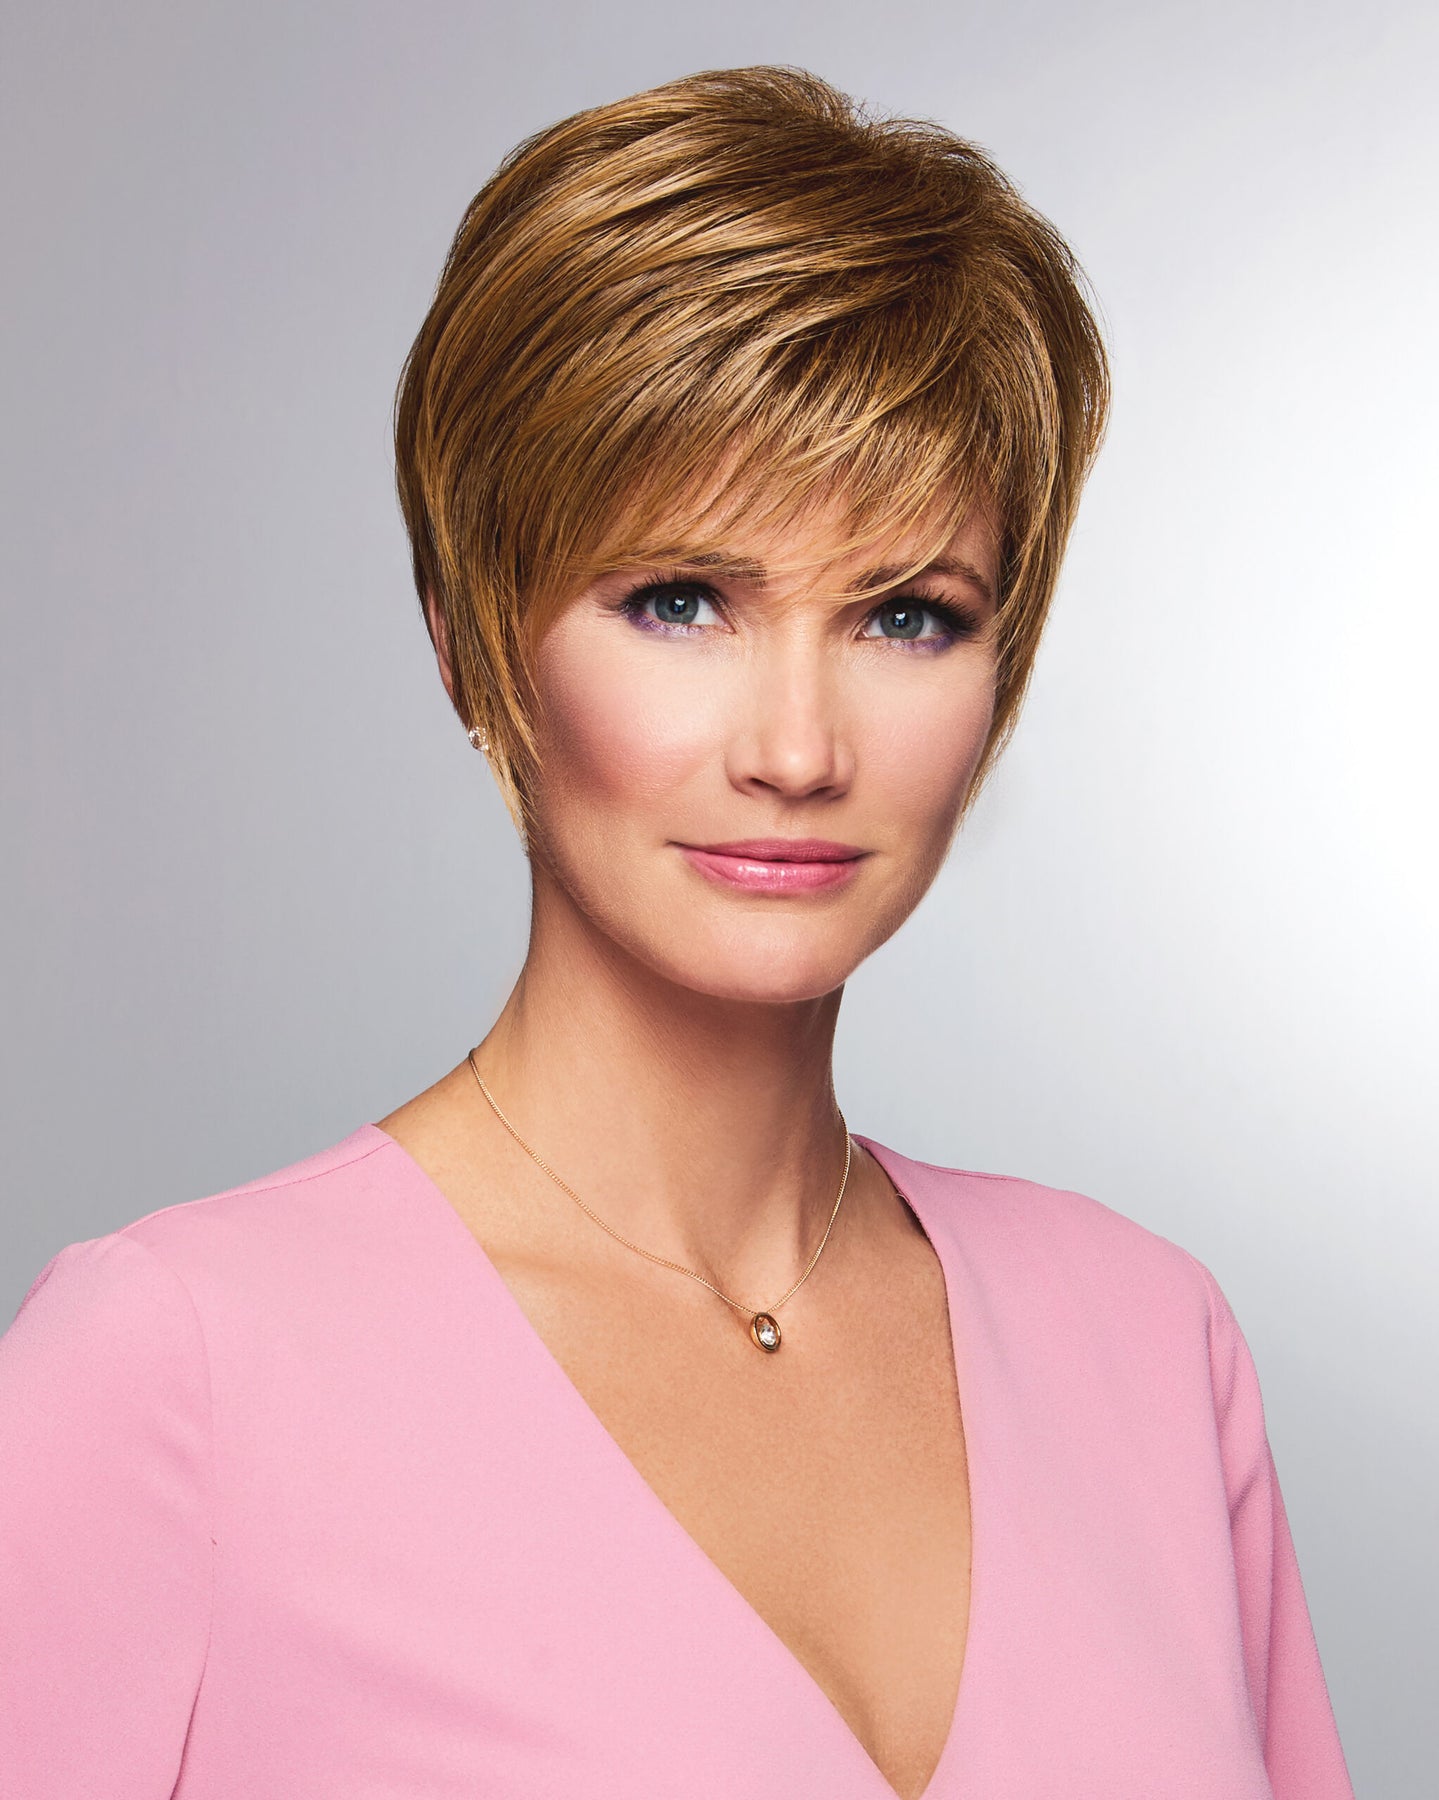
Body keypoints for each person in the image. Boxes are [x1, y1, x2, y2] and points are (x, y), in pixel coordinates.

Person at [0, 65, 1353, 1800]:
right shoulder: (168, 1377)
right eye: (681, 600)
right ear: (471, 637)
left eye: (906, 616)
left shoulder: (1151, 1345)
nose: (797, 749)